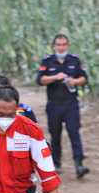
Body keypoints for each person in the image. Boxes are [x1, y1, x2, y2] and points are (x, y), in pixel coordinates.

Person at [36, 33, 89, 178]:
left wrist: (74, 82)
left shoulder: (75, 60)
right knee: (55, 134)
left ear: (68, 45)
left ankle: (79, 164)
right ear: (54, 46)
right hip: (54, 104)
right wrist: (55, 77)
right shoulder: (47, 61)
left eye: (64, 44)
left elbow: (84, 78)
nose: (61, 47)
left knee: (74, 133)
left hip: (71, 104)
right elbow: (40, 80)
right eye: (58, 45)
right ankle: (56, 163)